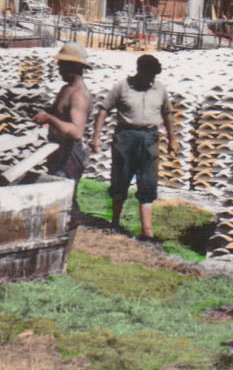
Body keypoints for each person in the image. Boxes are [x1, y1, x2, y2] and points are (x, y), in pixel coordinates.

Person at [89, 54, 177, 240]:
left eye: (154, 76)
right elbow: (103, 110)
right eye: (148, 75)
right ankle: (114, 222)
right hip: (126, 136)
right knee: (120, 179)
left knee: (148, 181)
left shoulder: (159, 88)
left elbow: (168, 113)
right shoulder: (122, 87)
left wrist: (172, 140)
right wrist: (96, 137)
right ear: (139, 71)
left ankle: (147, 230)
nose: (151, 79)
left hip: (150, 137)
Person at [32, 42, 92, 217]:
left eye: (62, 65)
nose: (58, 69)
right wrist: (47, 112)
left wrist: (50, 119)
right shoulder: (66, 89)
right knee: (56, 194)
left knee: (63, 197)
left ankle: (68, 232)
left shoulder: (79, 95)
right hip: (58, 150)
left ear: (73, 67)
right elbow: (61, 114)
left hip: (70, 154)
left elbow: (76, 132)